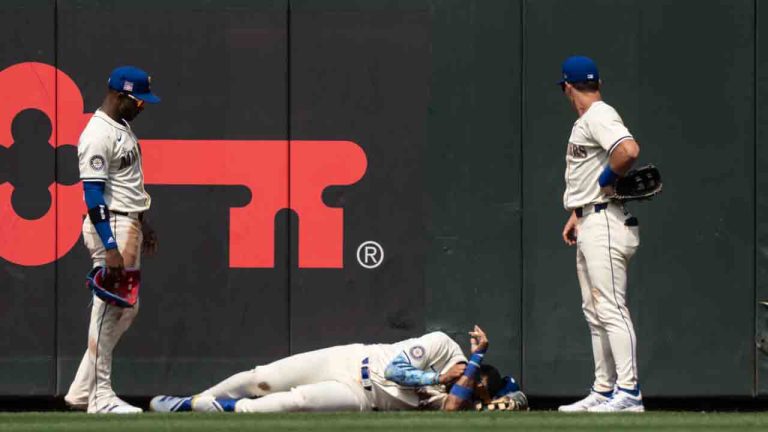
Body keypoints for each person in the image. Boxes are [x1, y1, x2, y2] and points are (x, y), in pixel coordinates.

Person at [64, 66, 160, 414]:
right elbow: (93, 195)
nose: (143, 106)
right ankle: (100, 397)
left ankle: (81, 390)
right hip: (112, 228)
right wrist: (110, 245)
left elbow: (125, 184)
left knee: (126, 309)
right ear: (119, 96)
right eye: (139, 100)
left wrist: (142, 222)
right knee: (108, 308)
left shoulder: (121, 126)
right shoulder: (97, 133)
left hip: (126, 223)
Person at [150, 326, 521, 412]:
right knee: (260, 378)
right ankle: (189, 402)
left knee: (300, 401)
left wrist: (472, 367)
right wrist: (442, 375)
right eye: (470, 385)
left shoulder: (457, 398)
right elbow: (394, 370)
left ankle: (222, 410)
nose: (465, 392)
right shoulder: (441, 344)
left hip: (363, 398)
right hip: (348, 361)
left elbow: (456, 405)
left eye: (470, 391)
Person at [556, 56, 644, 413]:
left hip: (605, 222)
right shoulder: (591, 119)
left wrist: (606, 181)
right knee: (595, 310)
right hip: (591, 217)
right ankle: (605, 389)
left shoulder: (598, 115)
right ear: (598, 83)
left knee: (610, 308)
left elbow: (628, 151)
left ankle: (628, 391)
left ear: (566, 87)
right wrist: (578, 213)